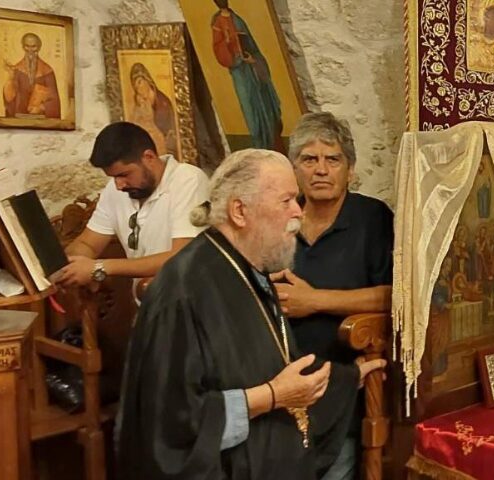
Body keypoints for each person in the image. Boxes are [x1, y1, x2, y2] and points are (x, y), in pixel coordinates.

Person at [117, 149, 386, 479]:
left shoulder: (246, 270)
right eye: (286, 201)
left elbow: (271, 361)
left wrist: (346, 378)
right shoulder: (183, 291)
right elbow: (171, 425)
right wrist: (272, 396)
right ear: (239, 211)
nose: (298, 212)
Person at [272, 113, 393, 475]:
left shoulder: (372, 218)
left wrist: (315, 301)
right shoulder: (279, 219)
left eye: (333, 159)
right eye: (309, 159)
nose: (321, 170)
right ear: (295, 169)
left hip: (345, 384)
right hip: (278, 388)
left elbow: (396, 297)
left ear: (350, 170)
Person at [51, 122, 208, 292]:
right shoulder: (114, 190)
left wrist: (99, 268)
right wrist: (68, 267)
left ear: (149, 157)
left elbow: (182, 257)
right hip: (149, 300)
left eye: (124, 174)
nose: (119, 185)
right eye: (113, 177)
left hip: (189, 301)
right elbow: (88, 244)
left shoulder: (188, 179)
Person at [211, 0, 283, 150]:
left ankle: (271, 143)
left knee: (264, 104)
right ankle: (259, 144)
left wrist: (253, 60)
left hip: (252, 68)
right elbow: (218, 49)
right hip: (239, 72)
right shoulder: (217, 23)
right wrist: (230, 47)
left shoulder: (238, 19)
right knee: (250, 108)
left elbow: (252, 45)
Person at [2, 32, 60, 119]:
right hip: (19, 118)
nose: (30, 50)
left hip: (41, 119)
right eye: (27, 46)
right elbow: (10, 100)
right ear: (23, 47)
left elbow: (54, 100)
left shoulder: (47, 71)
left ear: (39, 47)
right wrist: (10, 78)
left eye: (33, 46)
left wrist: (41, 107)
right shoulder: (17, 70)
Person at [127, 62, 178, 158]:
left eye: (139, 82)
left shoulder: (163, 101)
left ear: (147, 80)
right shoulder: (140, 102)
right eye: (135, 86)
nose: (137, 88)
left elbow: (167, 128)